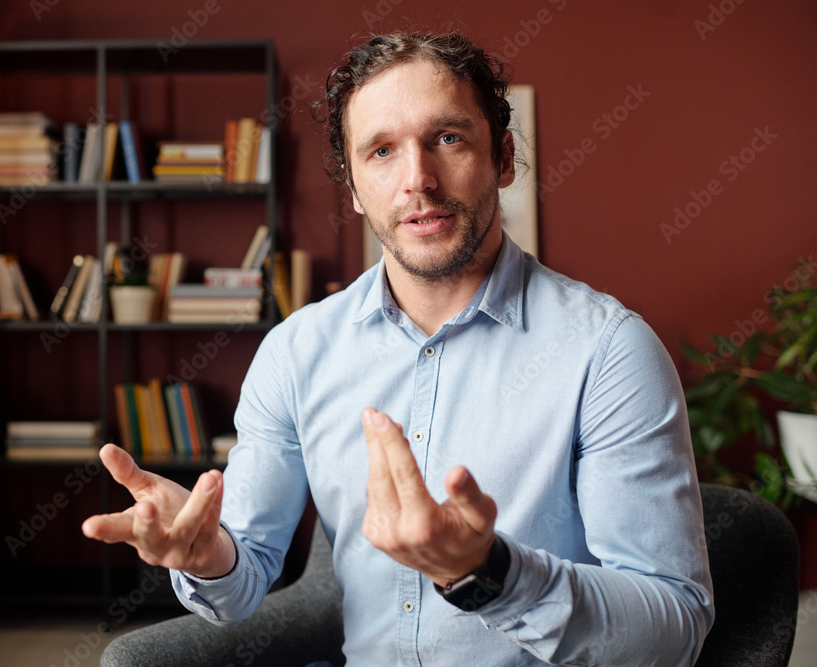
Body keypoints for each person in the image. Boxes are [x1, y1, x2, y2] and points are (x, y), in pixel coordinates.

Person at [83, 31, 714, 665]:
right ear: (354, 188)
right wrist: (206, 557)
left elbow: (674, 631)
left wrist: (490, 571)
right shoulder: (296, 353)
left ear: (503, 158)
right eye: (382, 150)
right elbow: (244, 575)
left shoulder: (609, 353)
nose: (418, 180)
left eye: (447, 138)